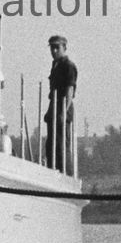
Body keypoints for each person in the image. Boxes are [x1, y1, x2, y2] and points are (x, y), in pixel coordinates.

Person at [45, 36, 78, 171]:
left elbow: (70, 90)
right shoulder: (56, 65)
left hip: (62, 107)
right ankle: (53, 172)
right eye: (52, 48)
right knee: (51, 146)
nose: (54, 51)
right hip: (54, 107)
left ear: (64, 48)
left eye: (57, 47)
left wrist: (64, 111)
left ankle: (65, 175)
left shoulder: (68, 66)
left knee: (61, 146)